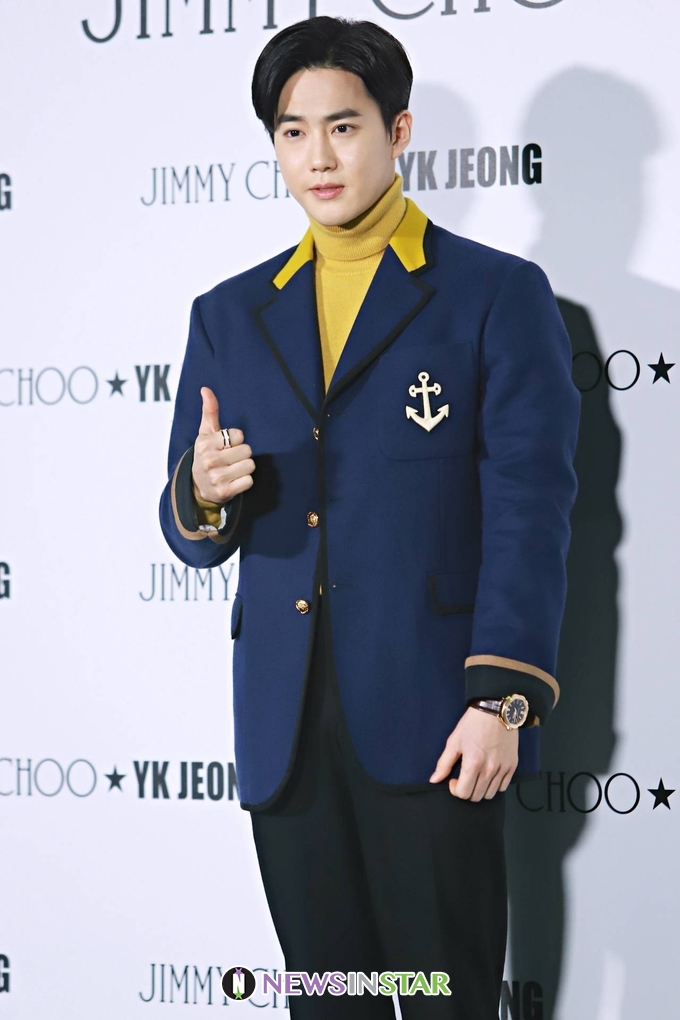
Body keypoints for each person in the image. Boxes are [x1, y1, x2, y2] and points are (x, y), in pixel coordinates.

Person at [159, 15, 580, 1019]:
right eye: (292, 132)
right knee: (330, 1001)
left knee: (442, 996)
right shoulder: (228, 314)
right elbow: (188, 530)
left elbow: (530, 505)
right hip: (286, 730)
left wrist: (501, 698)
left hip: (435, 719)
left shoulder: (493, 293)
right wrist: (203, 491)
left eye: (342, 127)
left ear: (397, 132)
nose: (318, 157)